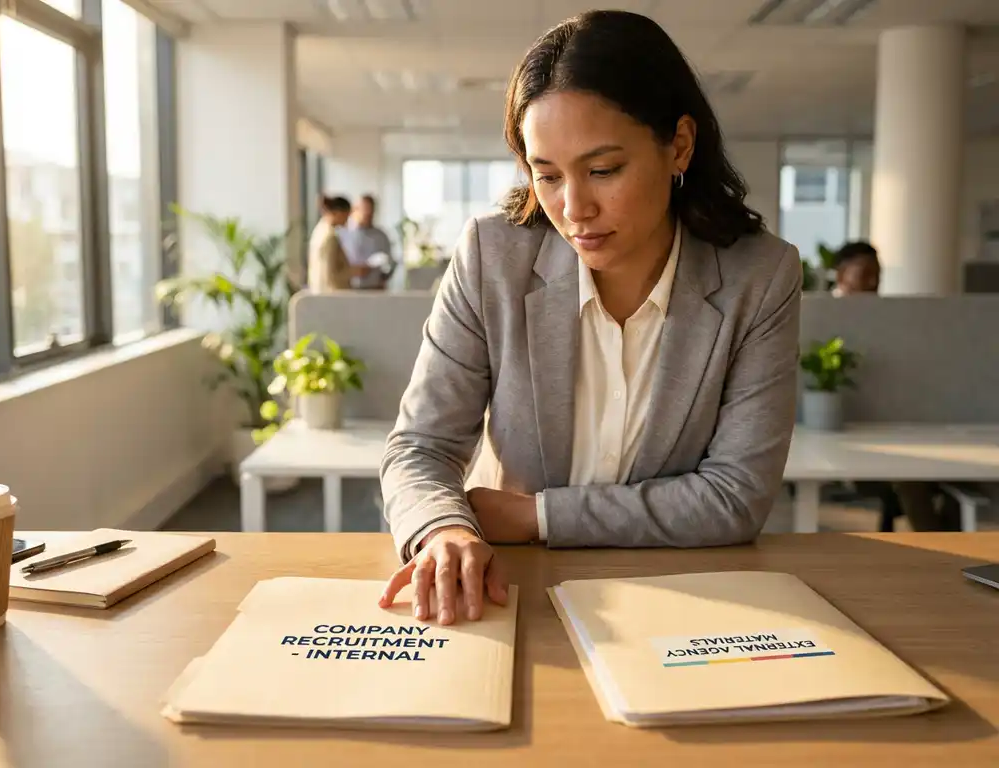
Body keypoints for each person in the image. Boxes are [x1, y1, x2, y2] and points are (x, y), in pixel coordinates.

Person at [378, 10, 802, 625]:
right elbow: (419, 446)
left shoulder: (758, 277)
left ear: (679, 145)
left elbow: (734, 497)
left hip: (682, 599)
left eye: (603, 170)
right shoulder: (493, 257)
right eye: (546, 175)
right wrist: (444, 529)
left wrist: (535, 515)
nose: (574, 208)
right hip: (517, 589)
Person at [829, 242, 960, 532]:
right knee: (911, 476)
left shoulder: (890, 319)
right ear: (840, 275)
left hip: (899, 429)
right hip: (846, 438)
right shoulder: (823, 318)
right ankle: (940, 544)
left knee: (958, 476)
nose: (873, 283)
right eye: (864, 274)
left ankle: (950, 541)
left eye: (878, 275)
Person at [339, 194, 394, 289]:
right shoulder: (342, 235)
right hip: (349, 288)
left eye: (370, 210)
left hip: (374, 288)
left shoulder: (381, 236)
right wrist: (354, 271)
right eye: (364, 209)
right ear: (354, 210)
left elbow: (390, 263)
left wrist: (383, 277)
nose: (367, 213)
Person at [307, 196, 352, 293]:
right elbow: (329, 273)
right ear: (339, 213)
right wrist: (352, 272)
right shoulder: (330, 237)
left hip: (318, 290)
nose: (347, 221)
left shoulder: (319, 231)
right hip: (330, 293)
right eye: (346, 216)